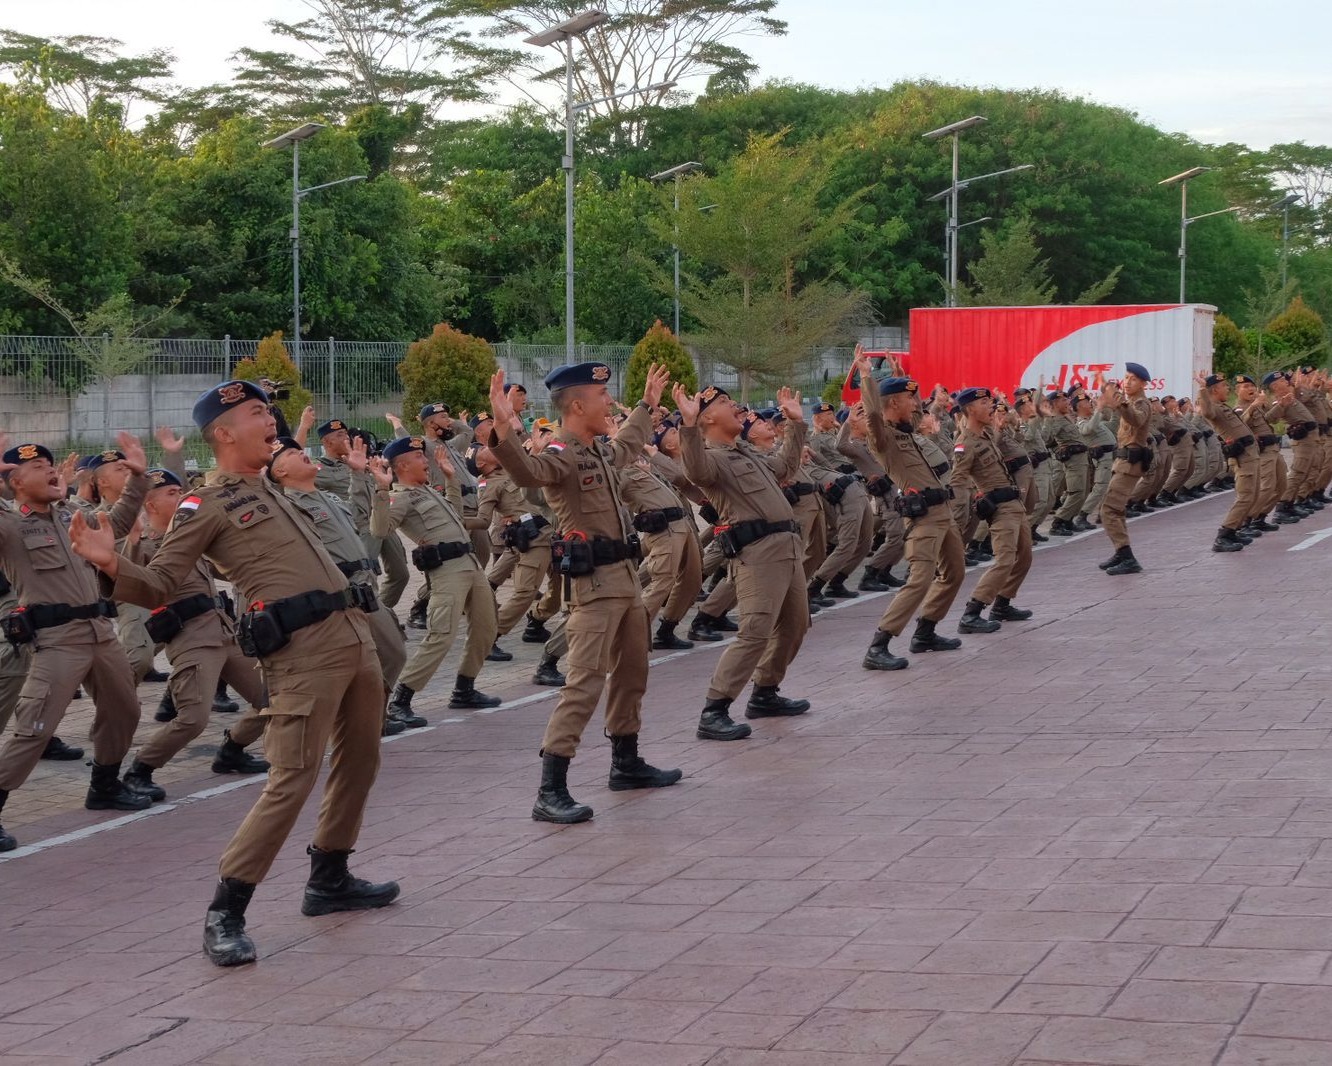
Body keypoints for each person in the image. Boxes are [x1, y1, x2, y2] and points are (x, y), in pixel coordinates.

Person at [67, 380, 398, 967]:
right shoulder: (206, 503)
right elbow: (162, 581)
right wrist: (111, 561)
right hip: (302, 652)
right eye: (255, 414)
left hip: (352, 638)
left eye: (267, 412)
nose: (270, 421)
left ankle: (330, 876)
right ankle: (227, 909)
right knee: (292, 776)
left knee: (362, 759)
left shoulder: (270, 488)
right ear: (223, 434)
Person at [486, 362, 681, 824]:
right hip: (593, 587)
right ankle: (550, 788)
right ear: (577, 405)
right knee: (584, 684)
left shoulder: (597, 450)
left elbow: (629, 443)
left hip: (626, 580)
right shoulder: (563, 452)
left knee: (633, 674)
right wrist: (500, 431)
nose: (609, 402)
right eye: (602, 396)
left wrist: (647, 405)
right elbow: (530, 472)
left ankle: (626, 763)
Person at [0, 436, 154, 853]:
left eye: (51, 464)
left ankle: (104, 786)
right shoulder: (11, 525)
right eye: (37, 468)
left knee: (125, 709)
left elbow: (116, 525)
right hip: (57, 641)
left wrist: (138, 477)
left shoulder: (74, 514)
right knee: (35, 728)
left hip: (100, 633)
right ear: (14, 482)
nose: (51, 470)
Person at [120, 468, 270, 801]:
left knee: (271, 700)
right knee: (193, 718)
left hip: (224, 632)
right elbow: (130, 587)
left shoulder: (191, 535)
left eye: (180, 490)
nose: (181, 496)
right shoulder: (143, 544)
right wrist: (129, 548)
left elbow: (227, 567)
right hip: (191, 638)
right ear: (150, 502)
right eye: (171, 493)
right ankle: (140, 770)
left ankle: (232, 750)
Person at [675, 382, 812, 739]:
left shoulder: (745, 453)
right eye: (724, 402)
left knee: (796, 625)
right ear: (706, 419)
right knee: (754, 632)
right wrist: (687, 428)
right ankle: (714, 709)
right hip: (758, 556)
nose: (736, 406)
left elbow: (783, 466)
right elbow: (696, 473)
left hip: (786, 549)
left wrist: (796, 426)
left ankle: (765, 692)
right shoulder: (712, 459)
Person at [268, 436, 411, 732]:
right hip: (338, 596)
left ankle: (371, 717)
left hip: (365, 589)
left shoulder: (328, 499)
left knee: (393, 654)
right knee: (352, 665)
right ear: (279, 472)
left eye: (299, 450)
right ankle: (357, 723)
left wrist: (359, 474)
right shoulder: (287, 506)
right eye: (292, 454)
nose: (302, 454)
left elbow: (361, 517)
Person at [851, 350, 965, 670]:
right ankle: (879, 645)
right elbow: (874, 414)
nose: (916, 406)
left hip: (942, 513)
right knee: (920, 578)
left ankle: (925, 633)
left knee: (955, 572)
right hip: (923, 519)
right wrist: (867, 377)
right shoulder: (883, 437)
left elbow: (915, 410)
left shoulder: (906, 430)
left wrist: (903, 378)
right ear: (892, 404)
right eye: (908, 399)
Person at [373, 436, 500, 722]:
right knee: (441, 634)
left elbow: (456, 515)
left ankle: (464, 689)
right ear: (402, 465)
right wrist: (381, 491)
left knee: (486, 627)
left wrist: (451, 479)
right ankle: (401, 698)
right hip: (447, 571)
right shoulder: (400, 497)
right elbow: (380, 529)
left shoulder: (429, 491)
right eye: (419, 457)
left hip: (469, 564)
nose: (426, 461)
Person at [950, 388, 1034, 629]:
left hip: (1014, 504)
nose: (990, 406)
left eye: (990, 401)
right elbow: (957, 479)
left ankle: (1002, 605)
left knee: (1024, 557)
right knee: (1005, 560)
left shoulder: (986, 436)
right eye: (984, 402)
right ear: (970, 409)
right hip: (999, 508)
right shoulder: (965, 443)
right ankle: (972, 612)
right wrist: (956, 516)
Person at [1194, 372, 1260, 552]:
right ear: (1215, 390)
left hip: (1250, 454)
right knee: (1245, 496)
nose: (1228, 388)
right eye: (1224, 386)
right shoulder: (1213, 407)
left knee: (1252, 495)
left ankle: (1234, 531)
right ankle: (1224, 535)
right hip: (1243, 457)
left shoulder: (1222, 406)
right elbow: (1206, 411)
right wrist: (1202, 389)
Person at [1098, 364, 1153, 575]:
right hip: (1123, 462)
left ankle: (1126, 555)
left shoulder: (1141, 403)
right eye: (1126, 377)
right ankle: (1122, 553)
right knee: (1116, 510)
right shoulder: (1130, 402)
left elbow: (1136, 419)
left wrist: (1120, 401)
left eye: (1133, 379)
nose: (1127, 382)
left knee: (1108, 509)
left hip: (1130, 464)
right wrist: (1106, 387)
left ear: (1143, 383)